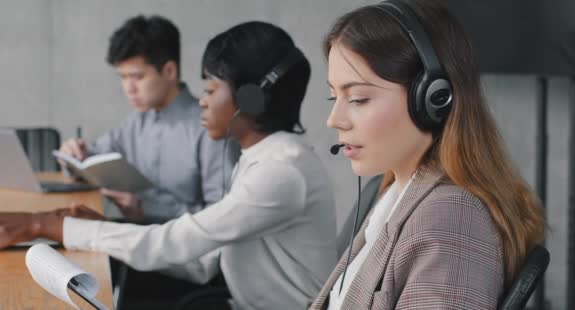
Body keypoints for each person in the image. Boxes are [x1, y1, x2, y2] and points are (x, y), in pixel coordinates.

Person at [0, 21, 337, 310]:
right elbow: (202, 261)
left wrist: (43, 224)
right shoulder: (261, 159)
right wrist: (103, 228)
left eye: (210, 89)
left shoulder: (281, 171)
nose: (202, 101)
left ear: (249, 100)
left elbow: (175, 243)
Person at [310, 0, 545, 309]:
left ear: (433, 99)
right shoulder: (395, 196)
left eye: (358, 99)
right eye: (333, 98)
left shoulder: (452, 218)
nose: (334, 119)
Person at [58, 15, 235, 222]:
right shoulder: (137, 122)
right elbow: (92, 156)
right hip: (138, 241)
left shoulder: (210, 128)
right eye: (123, 77)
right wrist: (73, 154)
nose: (128, 88)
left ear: (169, 71)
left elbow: (222, 218)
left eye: (137, 77)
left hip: (184, 250)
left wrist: (147, 207)